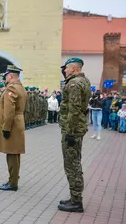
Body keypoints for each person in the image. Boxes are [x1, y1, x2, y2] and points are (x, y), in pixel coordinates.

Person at [58, 58, 91, 212]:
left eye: (66, 68)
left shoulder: (74, 84)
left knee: (72, 164)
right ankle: (74, 197)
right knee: (74, 162)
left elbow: (74, 109)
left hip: (72, 129)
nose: (64, 70)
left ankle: (76, 201)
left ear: (74, 68)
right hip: (78, 128)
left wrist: (70, 133)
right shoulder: (83, 81)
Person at [0, 65, 27, 191]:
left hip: (12, 125)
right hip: (18, 122)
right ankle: (13, 179)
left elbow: (9, 111)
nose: (6, 79)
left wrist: (6, 128)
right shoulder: (20, 87)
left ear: (10, 75)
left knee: (12, 154)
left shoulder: (12, 88)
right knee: (15, 154)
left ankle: (12, 182)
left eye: (6, 76)